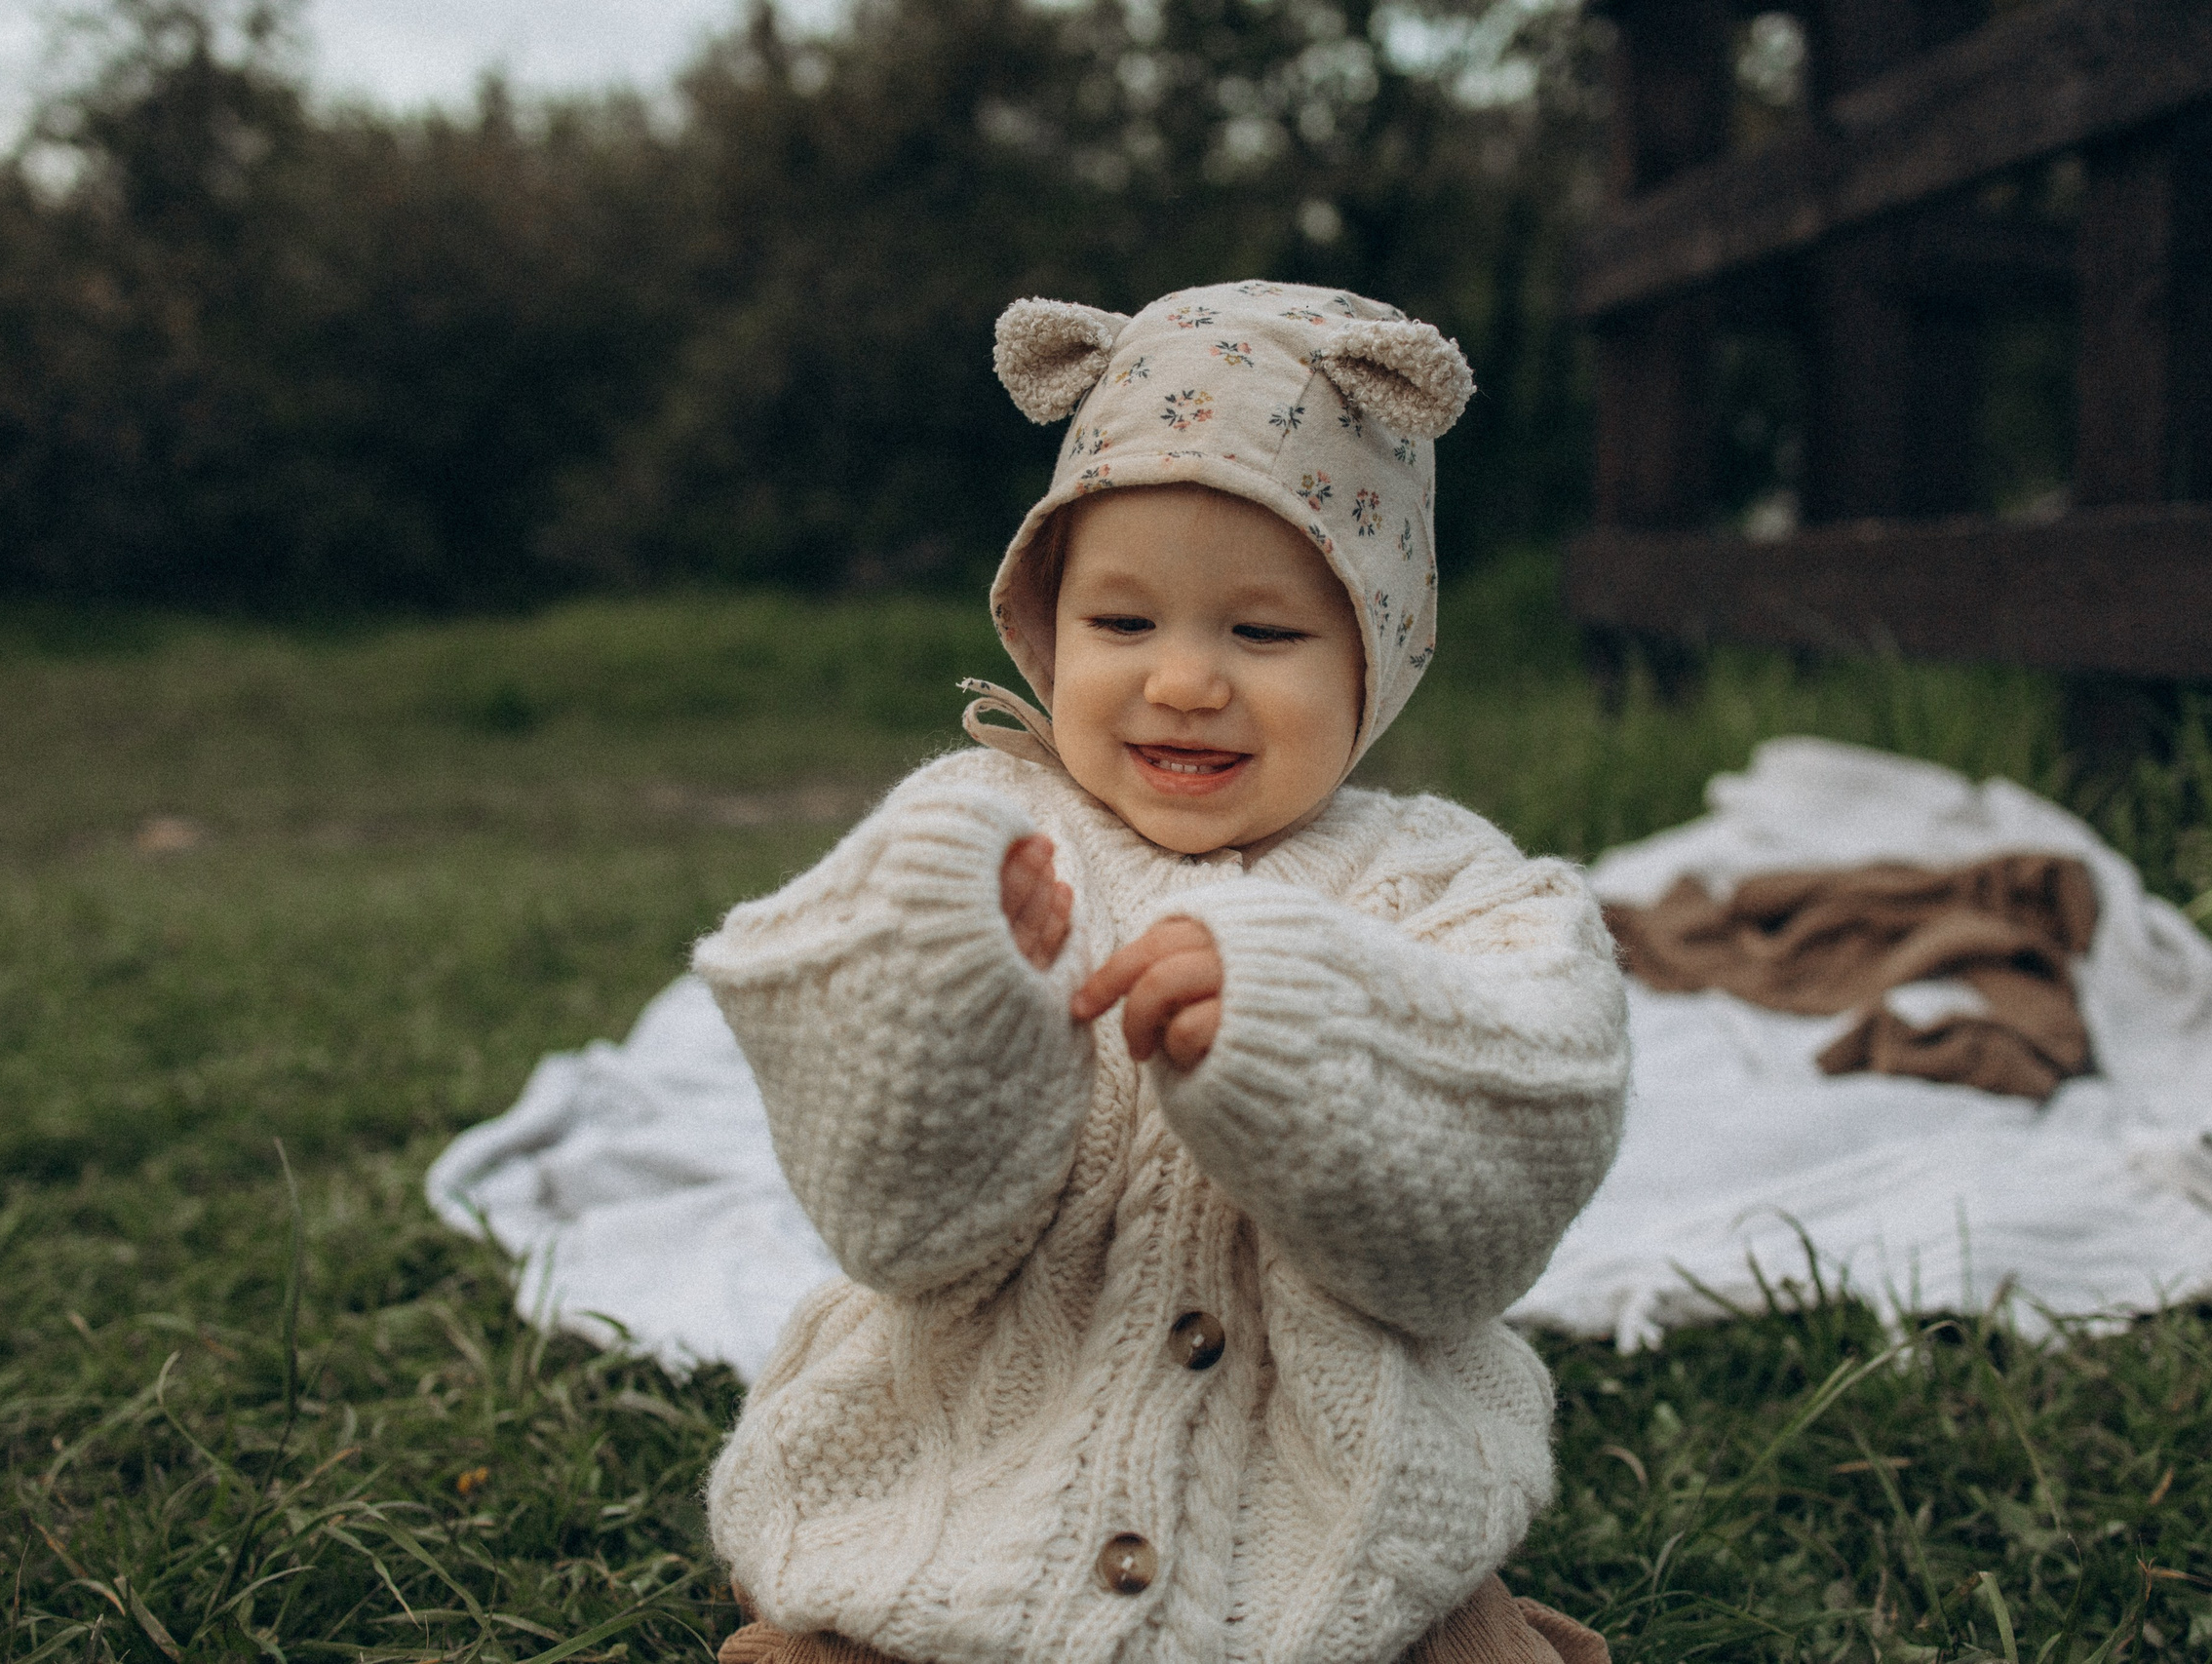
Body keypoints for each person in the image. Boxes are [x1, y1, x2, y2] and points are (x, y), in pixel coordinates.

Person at [692, 281, 1630, 1664]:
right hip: (974, 1470)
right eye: (1122, 626)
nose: (1185, 681)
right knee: (878, 1620)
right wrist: (955, 995)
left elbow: (1512, 1160)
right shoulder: (978, 844)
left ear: (1380, 652)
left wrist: (1301, 1027)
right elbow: (894, 1223)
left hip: (1335, 1518)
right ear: (1041, 630)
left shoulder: (1455, 890)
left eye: (1263, 634)